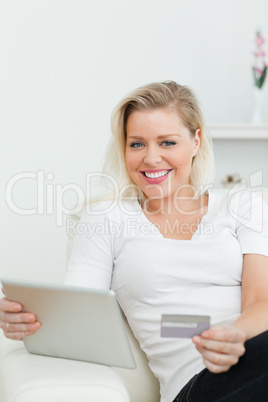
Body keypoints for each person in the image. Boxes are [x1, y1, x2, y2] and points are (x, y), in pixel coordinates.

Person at [1, 81, 268, 402]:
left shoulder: (244, 206)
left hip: (255, 351)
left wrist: (234, 335)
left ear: (196, 141)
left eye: (167, 142)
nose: (151, 158)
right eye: (137, 144)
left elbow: (260, 302)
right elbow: (80, 317)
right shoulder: (106, 219)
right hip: (199, 383)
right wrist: (28, 321)